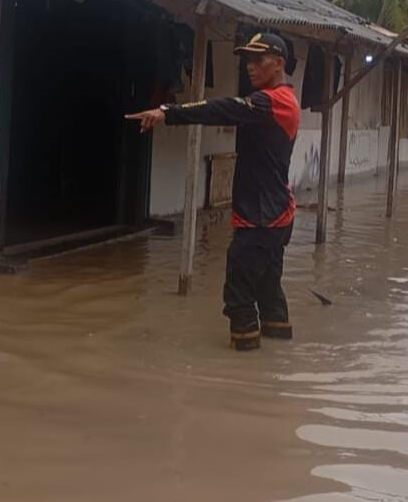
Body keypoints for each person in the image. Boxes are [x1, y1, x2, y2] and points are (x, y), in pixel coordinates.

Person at [126, 31, 300, 351]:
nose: (250, 66)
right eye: (247, 60)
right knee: (267, 287)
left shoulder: (272, 103)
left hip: (261, 217)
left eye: (258, 60)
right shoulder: (282, 101)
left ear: (278, 64)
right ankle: (277, 359)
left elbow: (220, 109)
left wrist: (168, 112)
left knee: (239, 296)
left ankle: (243, 372)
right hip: (277, 213)